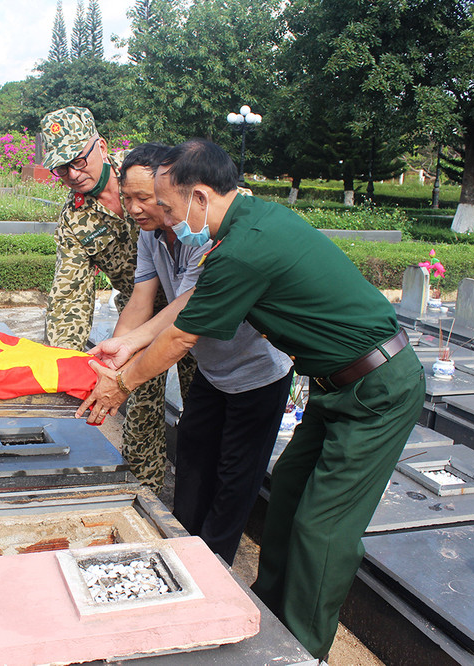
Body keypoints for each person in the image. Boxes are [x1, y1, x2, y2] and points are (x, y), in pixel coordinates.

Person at [77, 138, 424, 659]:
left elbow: (181, 339)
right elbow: (180, 313)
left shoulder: (245, 245)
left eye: (168, 207)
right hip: (335, 387)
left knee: (322, 528)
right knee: (285, 490)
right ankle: (272, 613)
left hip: (376, 391)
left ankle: (303, 649)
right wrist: (127, 341)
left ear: (199, 196)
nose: (165, 218)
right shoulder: (244, 226)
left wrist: (122, 382)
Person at [109, 142, 293, 565]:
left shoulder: (201, 231)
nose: (136, 209)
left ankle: (213, 568)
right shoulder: (151, 236)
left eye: (146, 199)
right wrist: (111, 354)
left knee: (235, 478)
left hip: (256, 372)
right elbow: (142, 300)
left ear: (170, 190)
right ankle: (180, 552)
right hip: (213, 371)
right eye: (129, 198)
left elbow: (184, 314)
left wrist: (124, 377)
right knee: (192, 461)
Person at [40, 106, 196, 492]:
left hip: (196, 305)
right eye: (62, 168)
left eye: (78, 160)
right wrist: (63, 367)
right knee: (139, 407)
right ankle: (143, 496)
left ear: (101, 146)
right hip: (139, 314)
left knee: (203, 402)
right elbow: (69, 296)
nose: (73, 174)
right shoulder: (76, 220)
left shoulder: (152, 174)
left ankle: (198, 490)